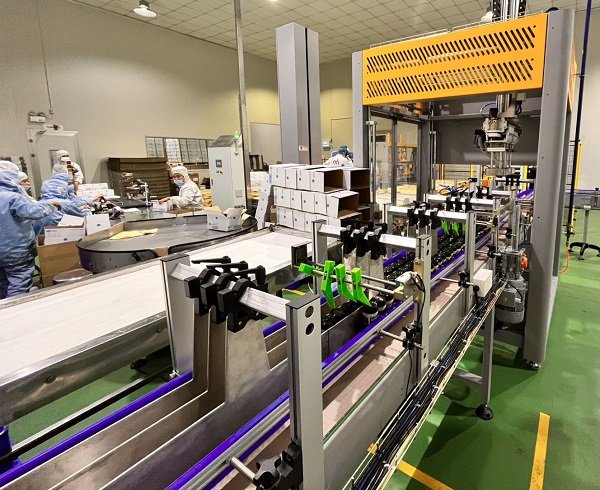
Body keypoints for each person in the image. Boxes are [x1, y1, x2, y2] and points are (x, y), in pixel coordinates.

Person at [0, 161, 61, 299]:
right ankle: (16, 308)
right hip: (15, 250)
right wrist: (49, 205)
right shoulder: (13, 198)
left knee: (3, 282)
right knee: (19, 281)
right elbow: (33, 212)